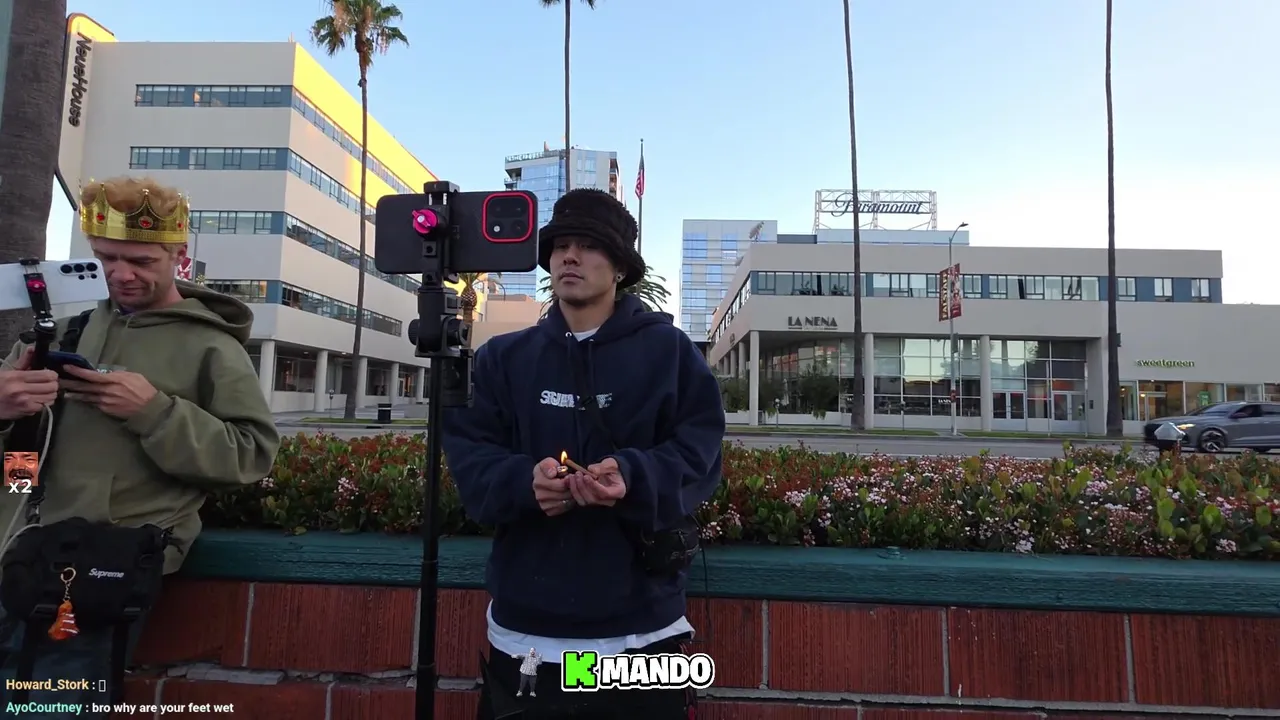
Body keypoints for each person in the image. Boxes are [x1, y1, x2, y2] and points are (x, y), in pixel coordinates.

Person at [0, 176, 280, 717]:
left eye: (141, 261)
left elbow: (250, 455)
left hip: (98, 569)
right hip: (15, 554)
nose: (121, 274)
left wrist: (153, 411)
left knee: (57, 708)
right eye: (107, 258)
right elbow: (20, 463)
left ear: (179, 256)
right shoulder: (60, 332)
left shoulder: (213, 347)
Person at [442, 188, 726, 719]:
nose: (569, 256)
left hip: (643, 637)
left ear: (619, 268)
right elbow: (470, 458)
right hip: (526, 637)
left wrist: (633, 476)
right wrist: (525, 484)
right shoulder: (503, 359)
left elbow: (701, 453)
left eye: (589, 246)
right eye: (560, 245)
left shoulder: (670, 353)